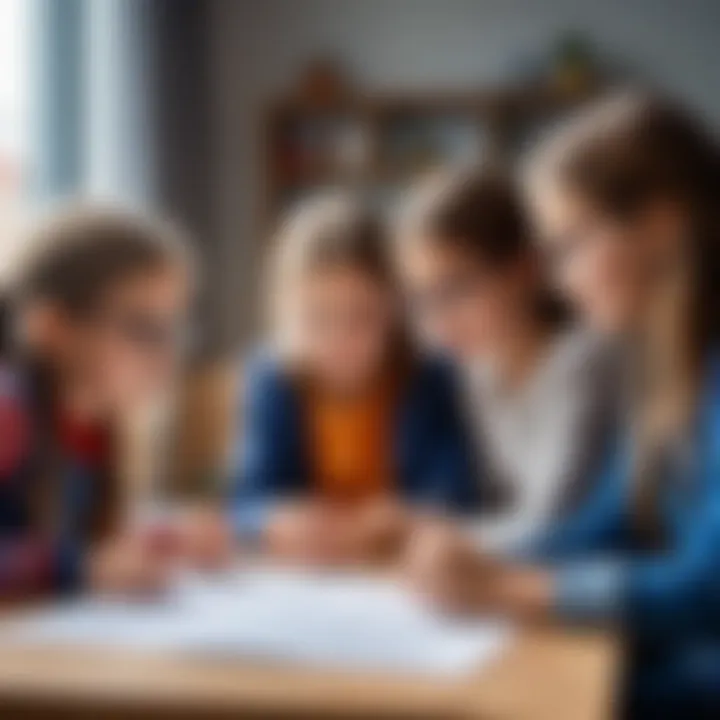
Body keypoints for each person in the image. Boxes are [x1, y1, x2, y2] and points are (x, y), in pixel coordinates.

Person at [406, 92, 720, 718]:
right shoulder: (656, 363)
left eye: (571, 243)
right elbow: (606, 519)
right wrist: (487, 557)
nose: (556, 280)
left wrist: (514, 589)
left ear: (662, 225)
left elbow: (705, 587)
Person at [231, 195, 477, 565]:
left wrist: (407, 514)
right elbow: (244, 502)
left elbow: (457, 491)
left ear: (395, 310)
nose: (339, 340)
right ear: (285, 311)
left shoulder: (428, 377)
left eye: (362, 317)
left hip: (398, 565)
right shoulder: (272, 381)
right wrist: (274, 519)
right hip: (309, 570)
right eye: (317, 318)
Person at [395, 166, 618, 550]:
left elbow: (555, 524)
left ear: (525, 270)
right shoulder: (476, 372)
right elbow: (500, 509)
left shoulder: (585, 362)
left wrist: (423, 532)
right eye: (421, 299)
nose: (437, 321)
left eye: (457, 288)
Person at [0, 204, 194, 598]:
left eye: (173, 330)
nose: (167, 357)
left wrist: (159, 539)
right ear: (53, 327)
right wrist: (79, 568)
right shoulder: (9, 418)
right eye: (144, 330)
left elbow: (65, 537)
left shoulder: (94, 427)